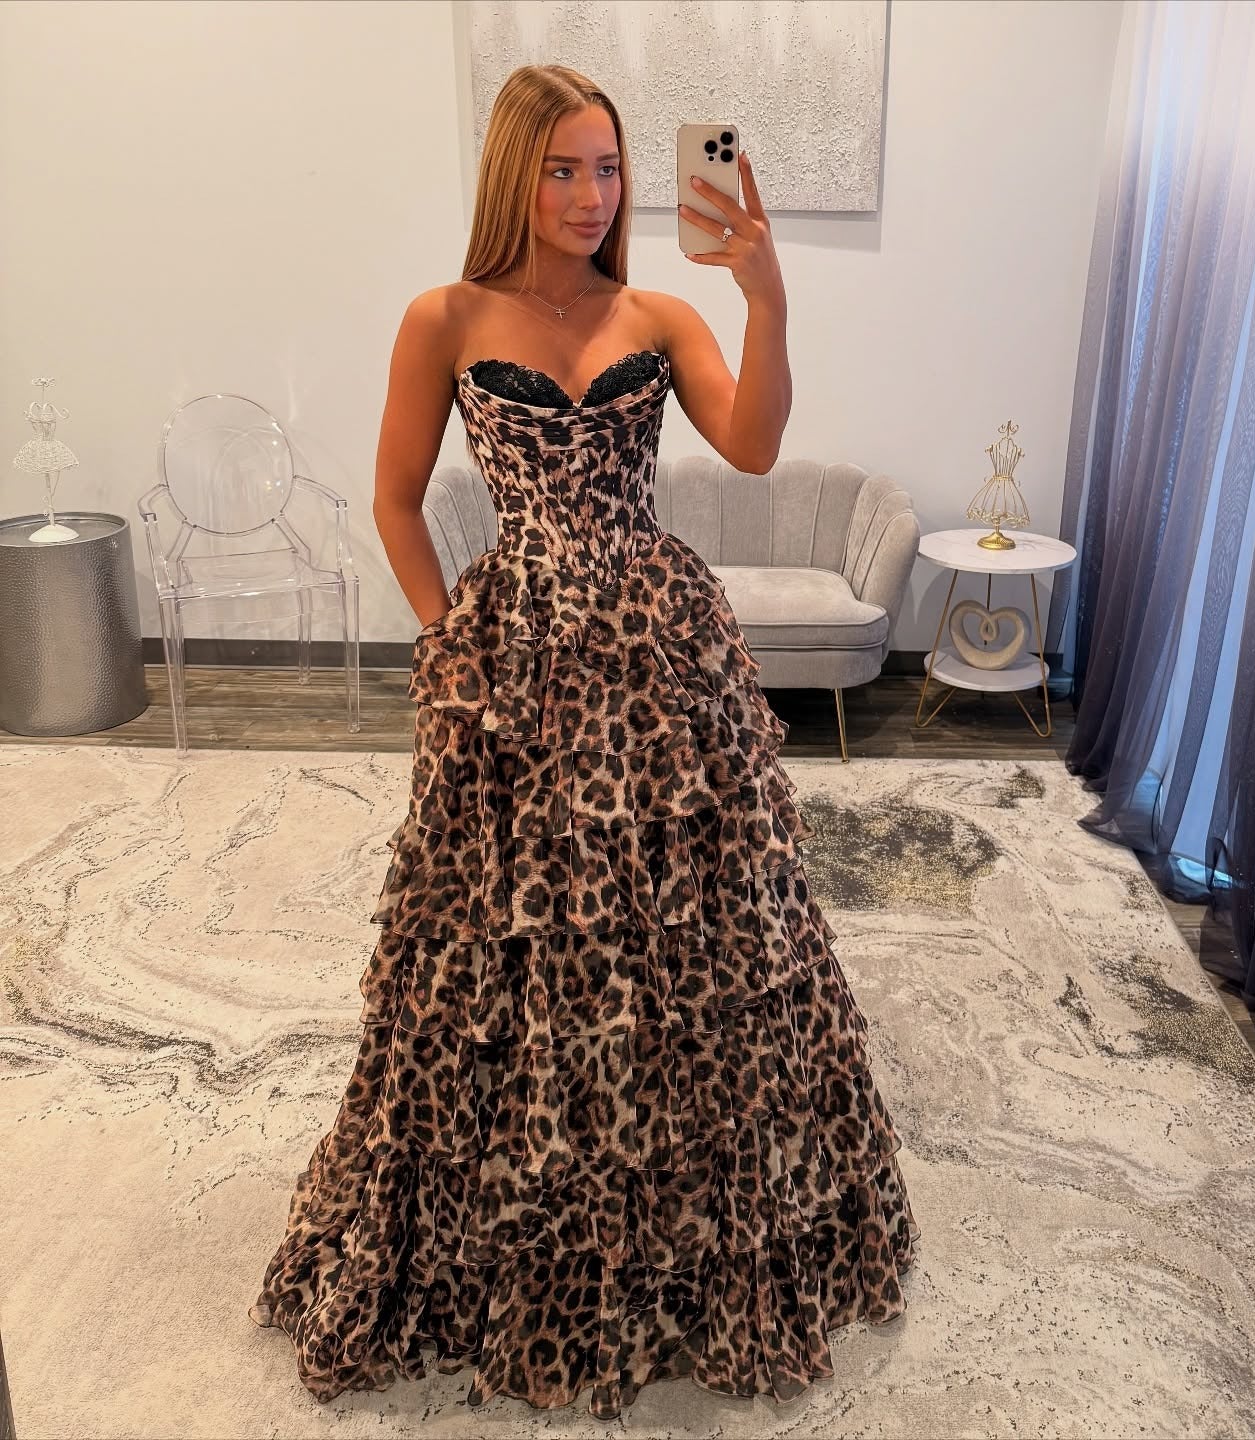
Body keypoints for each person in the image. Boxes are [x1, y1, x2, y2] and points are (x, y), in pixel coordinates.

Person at [247, 63, 919, 1422]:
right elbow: (393, 499)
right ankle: (526, 1218)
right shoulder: (444, 318)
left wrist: (768, 294)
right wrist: (446, 642)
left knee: (695, 934)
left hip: (657, 653)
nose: (590, 194)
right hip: (513, 668)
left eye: (607, 168)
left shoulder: (659, 314)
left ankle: (687, 1222)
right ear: (515, 174)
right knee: (505, 942)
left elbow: (752, 445)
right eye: (562, 169)